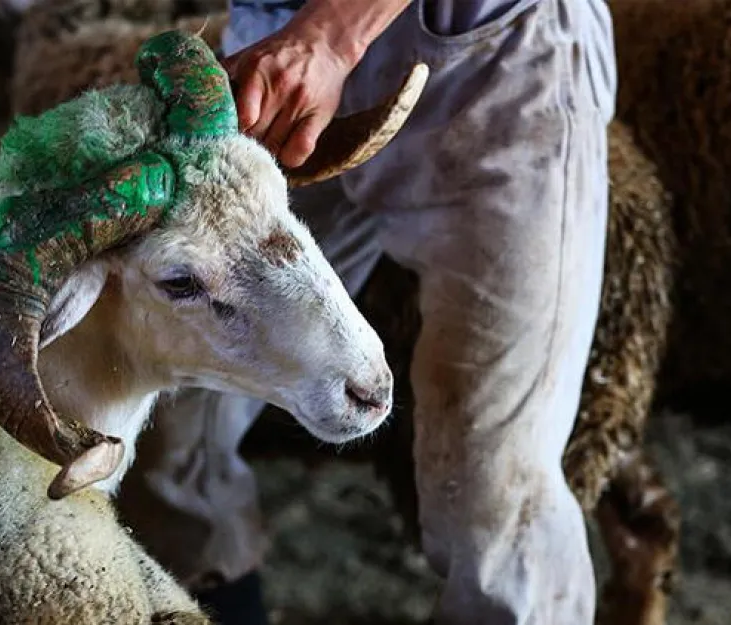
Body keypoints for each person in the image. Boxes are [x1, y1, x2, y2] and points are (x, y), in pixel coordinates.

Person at [115, 1, 618, 624]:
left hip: (493, 64)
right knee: (172, 406)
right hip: (274, 73)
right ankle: (214, 606)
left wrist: (329, 36)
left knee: (492, 480)